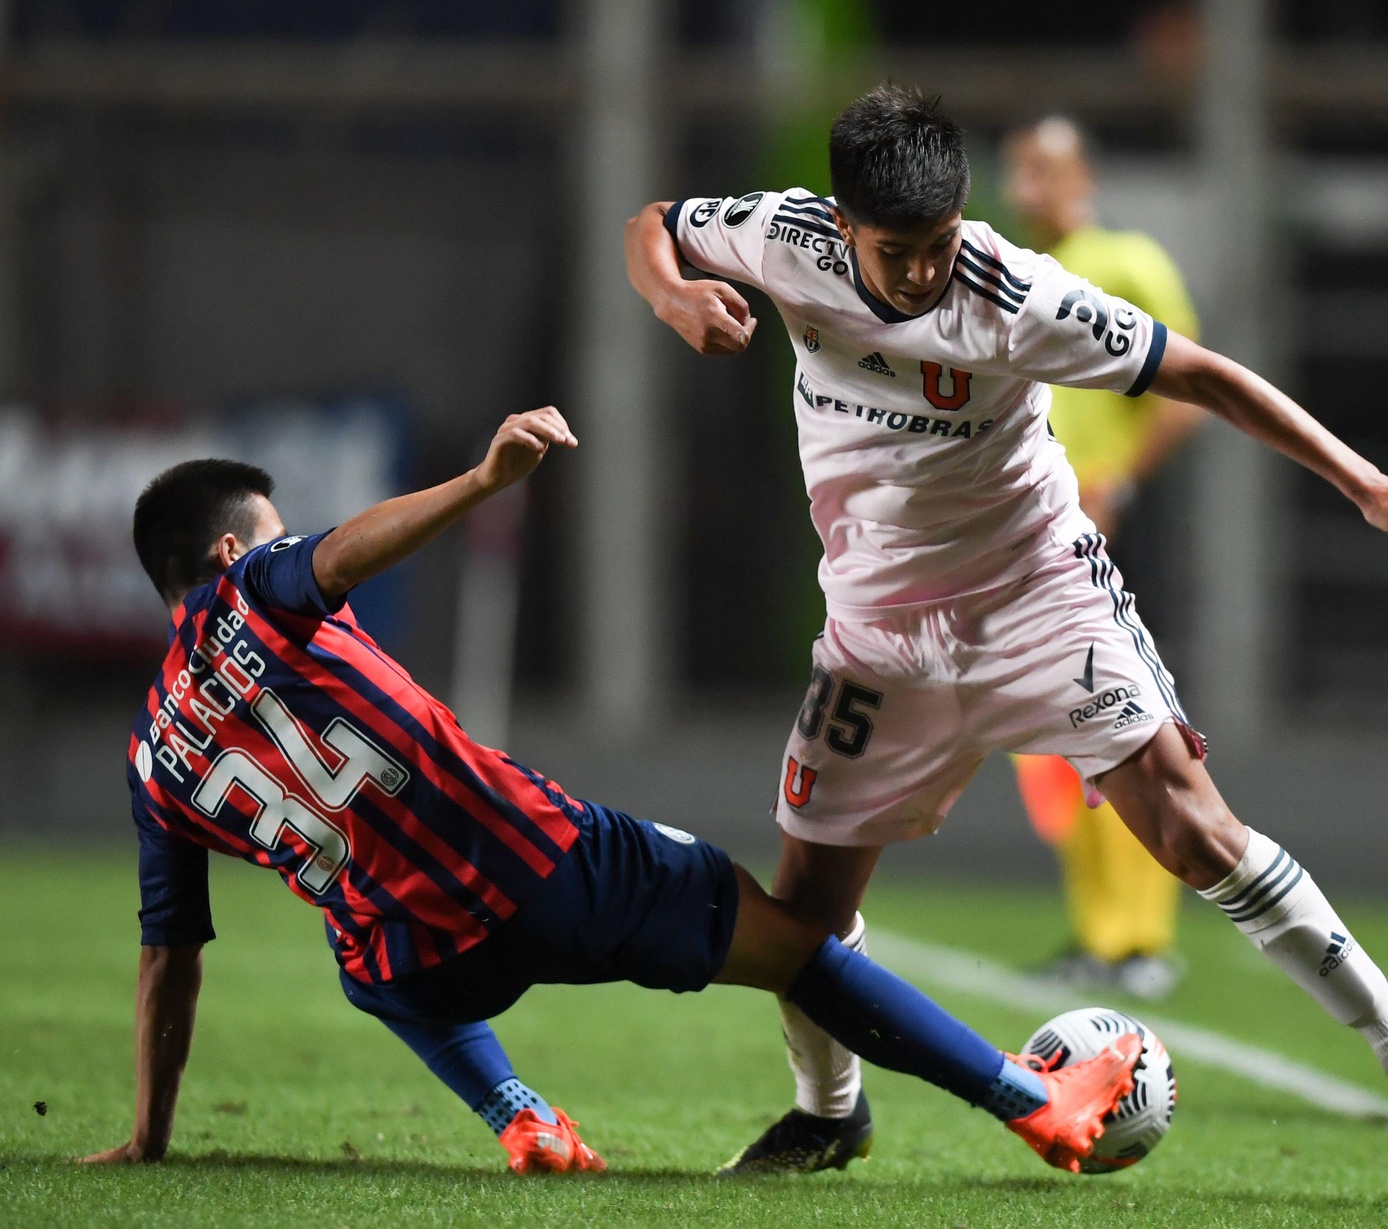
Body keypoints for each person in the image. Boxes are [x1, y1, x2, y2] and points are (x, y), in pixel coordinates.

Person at [625, 84, 1388, 1176]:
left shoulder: (1020, 295)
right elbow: (654, 223)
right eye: (895, 251)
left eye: (939, 243)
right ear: (844, 223)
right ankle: (830, 1113)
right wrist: (673, 296)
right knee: (804, 913)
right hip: (875, 635)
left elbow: (1202, 374)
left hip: (1037, 600)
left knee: (1193, 832)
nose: (920, 272)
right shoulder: (784, 236)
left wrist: (1361, 479)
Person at [85, 409, 1145, 1176]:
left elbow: (167, 958)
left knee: (362, 954)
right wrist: (483, 481)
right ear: (232, 550)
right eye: (277, 534)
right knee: (795, 941)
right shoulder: (253, 588)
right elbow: (345, 555)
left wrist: (149, 1138)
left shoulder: (151, 757)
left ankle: (521, 1117)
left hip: (422, 963)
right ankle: (1032, 1101)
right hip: (540, 864)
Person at [1001, 114, 1206, 1000]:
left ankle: (1142, 937)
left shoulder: (1126, 262)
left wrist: (1120, 477)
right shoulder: (1009, 271)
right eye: (1019, 171)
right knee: (1057, 740)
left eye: (1044, 170)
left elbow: (1186, 389)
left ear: (1084, 177)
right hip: (1034, 533)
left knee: (1132, 726)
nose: (1028, 188)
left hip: (1114, 523)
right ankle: (1099, 932)